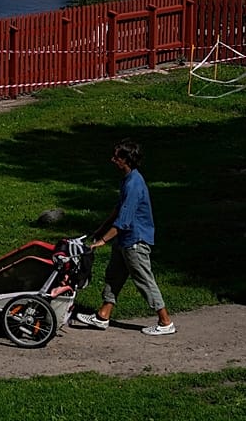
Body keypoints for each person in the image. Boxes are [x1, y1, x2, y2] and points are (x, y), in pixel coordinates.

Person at [74, 139, 176, 336]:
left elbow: (124, 221)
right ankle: (103, 315)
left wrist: (102, 241)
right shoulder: (128, 180)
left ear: (126, 160)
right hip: (125, 241)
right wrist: (101, 228)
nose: (112, 160)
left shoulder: (134, 185)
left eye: (116, 157)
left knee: (144, 280)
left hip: (135, 241)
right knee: (114, 277)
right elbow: (118, 209)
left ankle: (165, 322)